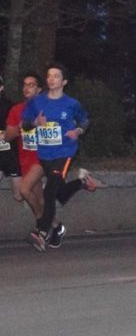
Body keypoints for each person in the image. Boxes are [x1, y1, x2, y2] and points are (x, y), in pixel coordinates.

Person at [21, 63, 99, 251]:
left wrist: (78, 130)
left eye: (56, 76)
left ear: (64, 81)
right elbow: (25, 124)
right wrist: (35, 122)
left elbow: (85, 120)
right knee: (59, 192)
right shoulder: (37, 102)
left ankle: (41, 232)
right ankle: (81, 183)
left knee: (49, 192)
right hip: (45, 153)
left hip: (65, 152)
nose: (51, 79)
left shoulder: (71, 104)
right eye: (49, 75)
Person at [4, 73, 46, 231]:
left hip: (42, 158)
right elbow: (7, 137)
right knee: (38, 198)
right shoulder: (17, 110)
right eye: (25, 85)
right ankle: (53, 224)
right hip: (25, 157)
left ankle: (43, 225)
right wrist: (20, 127)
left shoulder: (46, 108)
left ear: (39, 89)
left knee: (24, 189)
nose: (26, 88)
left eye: (31, 85)